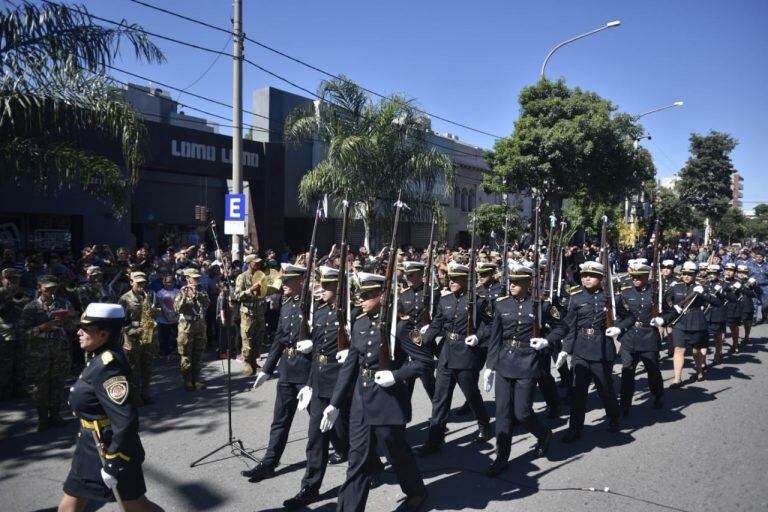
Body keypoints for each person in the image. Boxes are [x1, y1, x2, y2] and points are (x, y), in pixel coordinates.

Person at [319, 272, 432, 512]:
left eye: (367, 295)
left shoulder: (401, 325)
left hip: (388, 401)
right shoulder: (359, 322)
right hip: (362, 401)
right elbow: (350, 366)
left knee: (396, 453)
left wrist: (396, 375)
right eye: (360, 295)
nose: (361, 300)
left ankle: (417, 492)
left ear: (382, 295)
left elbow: (425, 361)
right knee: (357, 461)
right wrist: (335, 403)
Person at [57, 303, 164, 512]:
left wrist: (115, 462)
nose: (78, 333)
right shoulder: (98, 357)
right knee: (69, 507)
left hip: (109, 450)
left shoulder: (109, 366)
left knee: (137, 506)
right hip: (89, 447)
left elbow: (125, 420)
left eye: (85, 329)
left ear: (103, 334)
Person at [484, 263, 563, 477]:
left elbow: (561, 327)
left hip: (528, 361)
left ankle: (544, 433)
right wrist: (489, 367)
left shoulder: (541, 305)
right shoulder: (501, 305)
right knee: (502, 413)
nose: (512, 285)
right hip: (504, 362)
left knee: (523, 413)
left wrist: (546, 341)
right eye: (511, 282)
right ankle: (501, 458)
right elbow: (495, 338)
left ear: (529, 284)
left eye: (518, 283)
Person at [283, 266, 351, 509]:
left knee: (345, 435)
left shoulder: (351, 315)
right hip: (320, 381)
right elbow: (317, 354)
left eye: (328, 286)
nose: (322, 289)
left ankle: (369, 467)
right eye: (322, 285)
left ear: (339, 288)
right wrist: (309, 385)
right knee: (315, 439)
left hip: (343, 384)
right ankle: (310, 487)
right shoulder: (320, 312)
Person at [243, 263, 311, 482]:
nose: (284, 285)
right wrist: (266, 369)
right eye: (284, 281)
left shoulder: (312, 303)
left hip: (308, 372)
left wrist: (313, 343)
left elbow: (326, 334)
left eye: (289, 281)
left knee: (324, 419)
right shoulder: (287, 303)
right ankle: (269, 463)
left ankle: (345, 448)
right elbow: (280, 338)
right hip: (287, 370)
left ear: (301, 281)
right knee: (280, 420)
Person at [417, 261, 492, 455]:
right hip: (447, 353)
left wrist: (479, 336)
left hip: (467, 354)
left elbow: (491, 325)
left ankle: (484, 424)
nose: (452, 282)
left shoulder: (479, 300)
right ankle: (435, 438)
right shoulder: (445, 300)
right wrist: (423, 341)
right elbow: (437, 324)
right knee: (440, 399)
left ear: (466, 280)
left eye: (457, 279)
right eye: (451, 279)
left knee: (471, 394)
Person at [555, 261, 621, 442]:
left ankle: (615, 415)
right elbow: (571, 326)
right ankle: (575, 428)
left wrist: (619, 328)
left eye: (591, 276)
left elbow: (627, 316)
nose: (586, 279)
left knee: (605, 389)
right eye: (584, 275)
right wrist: (565, 350)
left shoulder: (610, 297)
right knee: (578, 391)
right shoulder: (575, 298)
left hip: (601, 348)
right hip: (581, 350)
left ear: (600, 278)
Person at [20, 274, 76, 430]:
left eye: (54, 289)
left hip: (60, 353)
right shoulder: (31, 307)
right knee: (40, 388)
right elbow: (23, 333)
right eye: (47, 289)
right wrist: (43, 327)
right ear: (39, 288)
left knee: (58, 385)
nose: (51, 292)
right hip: (39, 355)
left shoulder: (63, 303)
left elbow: (73, 327)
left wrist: (68, 321)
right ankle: (42, 419)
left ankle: (56, 416)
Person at [615, 262, 666, 415]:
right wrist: (618, 327)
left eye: (639, 277)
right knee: (627, 371)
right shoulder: (625, 292)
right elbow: (616, 311)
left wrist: (663, 320)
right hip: (629, 337)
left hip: (649, 336)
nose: (635, 280)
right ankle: (625, 404)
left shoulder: (656, 293)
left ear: (647, 276)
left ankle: (658, 395)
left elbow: (669, 311)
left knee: (653, 371)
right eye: (633, 277)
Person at [663, 261, 722, 386]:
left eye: (689, 274)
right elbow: (665, 300)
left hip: (697, 321)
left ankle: (699, 370)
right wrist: (673, 307)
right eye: (684, 273)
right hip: (680, 321)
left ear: (695, 275)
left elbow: (717, 303)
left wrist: (704, 293)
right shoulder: (676, 286)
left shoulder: (702, 287)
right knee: (679, 349)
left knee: (696, 351)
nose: (686, 276)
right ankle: (677, 379)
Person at [397, 260, 437, 401]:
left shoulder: (432, 293)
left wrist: (430, 329)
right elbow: (399, 318)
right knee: (406, 384)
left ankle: (439, 416)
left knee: (429, 382)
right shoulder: (403, 295)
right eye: (407, 276)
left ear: (421, 274)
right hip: (408, 344)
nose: (409, 279)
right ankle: (403, 419)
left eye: (412, 275)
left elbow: (439, 318)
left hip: (424, 343)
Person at [118, 272, 160, 406]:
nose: (141, 286)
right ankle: (134, 397)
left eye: (143, 283)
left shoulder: (151, 295)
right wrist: (132, 330)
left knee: (147, 368)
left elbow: (159, 311)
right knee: (133, 369)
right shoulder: (124, 298)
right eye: (138, 283)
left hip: (148, 336)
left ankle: (145, 393)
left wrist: (156, 312)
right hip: (132, 339)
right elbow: (119, 321)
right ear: (131, 282)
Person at [174, 268, 210, 391]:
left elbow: (206, 304)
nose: (197, 280)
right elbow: (177, 309)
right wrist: (184, 296)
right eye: (194, 278)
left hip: (199, 324)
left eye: (197, 277)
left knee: (198, 354)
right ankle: (188, 380)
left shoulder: (202, 290)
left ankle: (197, 379)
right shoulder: (182, 291)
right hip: (186, 326)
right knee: (186, 354)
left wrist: (198, 294)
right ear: (187, 278)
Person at [0, 268, 31, 400]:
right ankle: (4, 391)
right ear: (2, 280)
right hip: (5, 333)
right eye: (10, 279)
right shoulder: (1, 293)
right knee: (5, 364)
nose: (13, 281)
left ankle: (19, 389)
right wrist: (10, 298)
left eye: (15, 279)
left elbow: (28, 308)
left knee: (21, 362)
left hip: (20, 331)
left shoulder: (23, 292)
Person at [235, 254, 267, 375]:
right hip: (247, 312)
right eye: (255, 263)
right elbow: (238, 295)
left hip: (259, 310)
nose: (258, 265)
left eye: (259, 263)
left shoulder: (261, 276)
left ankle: (254, 361)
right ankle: (247, 362)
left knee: (258, 336)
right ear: (249, 263)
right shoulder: (242, 277)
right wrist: (251, 289)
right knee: (247, 336)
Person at [155, 275, 180, 358]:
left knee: (175, 336)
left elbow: (180, 306)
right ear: (163, 282)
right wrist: (167, 318)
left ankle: (174, 352)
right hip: (164, 320)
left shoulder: (178, 291)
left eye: (171, 282)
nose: (169, 284)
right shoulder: (159, 293)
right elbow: (160, 306)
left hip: (176, 318)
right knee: (164, 337)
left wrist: (177, 317)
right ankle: (165, 353)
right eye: (167, 282)